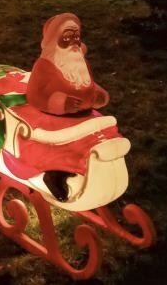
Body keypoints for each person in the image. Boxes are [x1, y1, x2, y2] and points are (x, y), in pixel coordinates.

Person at [16, 13, 119, 201]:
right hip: (55, 119)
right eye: (67, 36)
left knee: (94, 138)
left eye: (76, 36)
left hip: (83, 115)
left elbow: (85, 83)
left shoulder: (80, 61)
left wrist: (97, 95)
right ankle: (54, 175)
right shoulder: (45, 66)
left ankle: (85, 170)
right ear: (55, 39)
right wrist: (59, 103)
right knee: (61, 146)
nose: (73, 41)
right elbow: (35, 94)